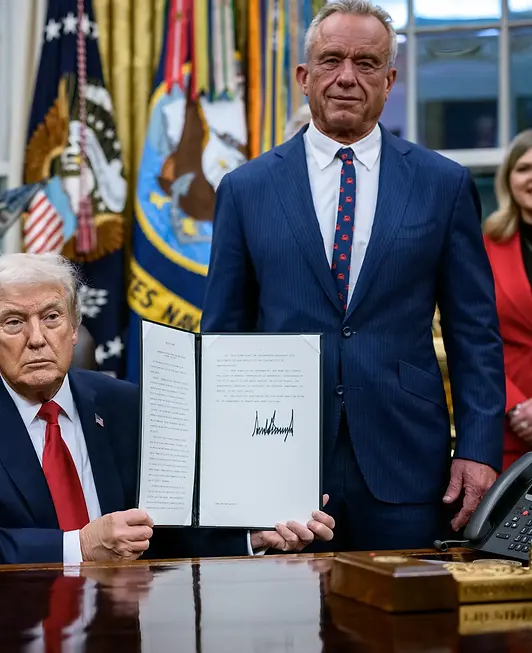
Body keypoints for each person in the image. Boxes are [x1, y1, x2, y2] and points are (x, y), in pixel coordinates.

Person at [201, 0, 504, 552]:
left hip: (406, 461)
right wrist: (227, 465)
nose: (347, 77)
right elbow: (224, 336)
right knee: (285, 628)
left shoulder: (444, 184)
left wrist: (480, 450)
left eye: (366, 64)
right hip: (278, 460)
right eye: (331, 60)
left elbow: (474, 332)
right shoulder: (245, 190)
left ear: (390, 81)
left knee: (406, 630)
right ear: (304, 76)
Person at [0, 252, 335, 567]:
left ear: (75, 327)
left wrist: (252, 539)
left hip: (131, 620)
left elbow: (166, 526)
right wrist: (78, 547)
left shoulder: (127, 405)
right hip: (10, 623)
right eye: (13, 322)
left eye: (51, 317)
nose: (37, 338)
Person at [483, 130, 532, 471]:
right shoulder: (486, 244)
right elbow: (475, 333)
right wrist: (517, 406)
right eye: (524, 168)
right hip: (510, 420)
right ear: (508, 179)